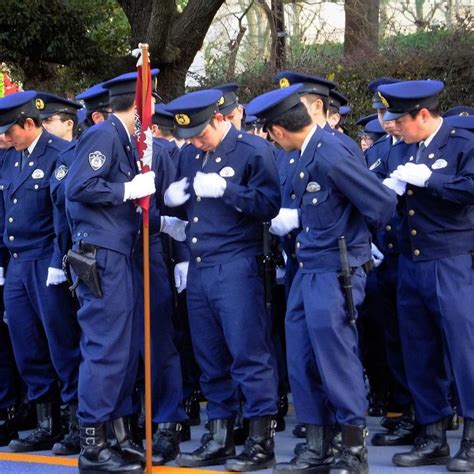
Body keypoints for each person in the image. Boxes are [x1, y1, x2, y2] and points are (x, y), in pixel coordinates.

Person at [247, 84, 397, 474]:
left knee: (336, 360)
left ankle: (352, 448)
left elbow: (380, 204)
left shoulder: (329, 152)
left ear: (278, 132)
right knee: (301, 358)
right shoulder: (301, 154)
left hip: (335, 269)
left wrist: (348, 240)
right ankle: (317, 445)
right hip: (307, 267)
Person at [163, 88, 281, 471]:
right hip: (200, 266)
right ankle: (220, 436)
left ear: (219, 119)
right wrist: (174, 203)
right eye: (190, 136)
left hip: (237, 264)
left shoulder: (251, 150)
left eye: (201, 133)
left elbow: (269, 204)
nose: (196, 142)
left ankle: (261, 439)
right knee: (210, 357)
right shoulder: (189, 153)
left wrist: (229, 190)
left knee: (248, 354)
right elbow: (188, 207)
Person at [376, 79, 474, 471]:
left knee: (464, 351)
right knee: (419, 349)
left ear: (423, 114)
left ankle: (470, 437)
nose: (393, 126)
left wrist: (430, 180)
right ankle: (432, 433)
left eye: (400, 119)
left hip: (450, 260)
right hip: (411, 262)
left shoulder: (462, 142)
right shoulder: (403, 149)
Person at [66, 71, 157, 474]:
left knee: (122, 346)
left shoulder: (121, 138)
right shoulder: (105, 135)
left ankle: (117, 435)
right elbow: (79, 186)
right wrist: (127, 191)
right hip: (102, 253)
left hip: (117, 251)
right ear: (135, 106)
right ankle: (93, 444)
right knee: (105, 347)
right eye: (148, 106)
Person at [0, 91, 81, 453]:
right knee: (26, 343)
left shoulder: (59, 155)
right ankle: (44, 420)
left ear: (29, 124)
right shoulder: (11, 160)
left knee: (61, 341)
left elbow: (62, 216)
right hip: (18, 262)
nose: (5, 138)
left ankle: (76, 420)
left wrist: (56, 262)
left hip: (47, 261)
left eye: (9, 131)